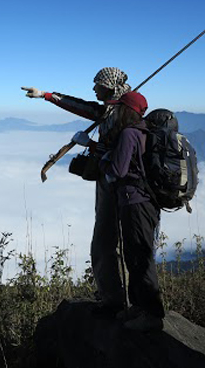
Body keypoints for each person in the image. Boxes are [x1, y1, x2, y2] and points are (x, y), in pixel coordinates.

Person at [21, 68, 133, 316]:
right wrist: (45, 95)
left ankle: (113, 299)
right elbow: (82, 107)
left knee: (104, 240)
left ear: (110, 86)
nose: (94, 89)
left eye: (98, 85)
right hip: (120, 187)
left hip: (114, 184)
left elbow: (117, 156)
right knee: (114, 240)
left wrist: (91, 145)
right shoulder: (118, 110)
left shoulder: (121, 115)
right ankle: (118, 295)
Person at [76, 91, 165, 331]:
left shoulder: (128, 133)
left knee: (139, 257)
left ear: (127, 110)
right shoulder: (144, 131)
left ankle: (152, 315)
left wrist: (101, 158)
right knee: (135, 255)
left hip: (134, 201)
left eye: (119, 108)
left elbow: (117, 170)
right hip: (145, 202)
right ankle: (138, 307)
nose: (115, 111)